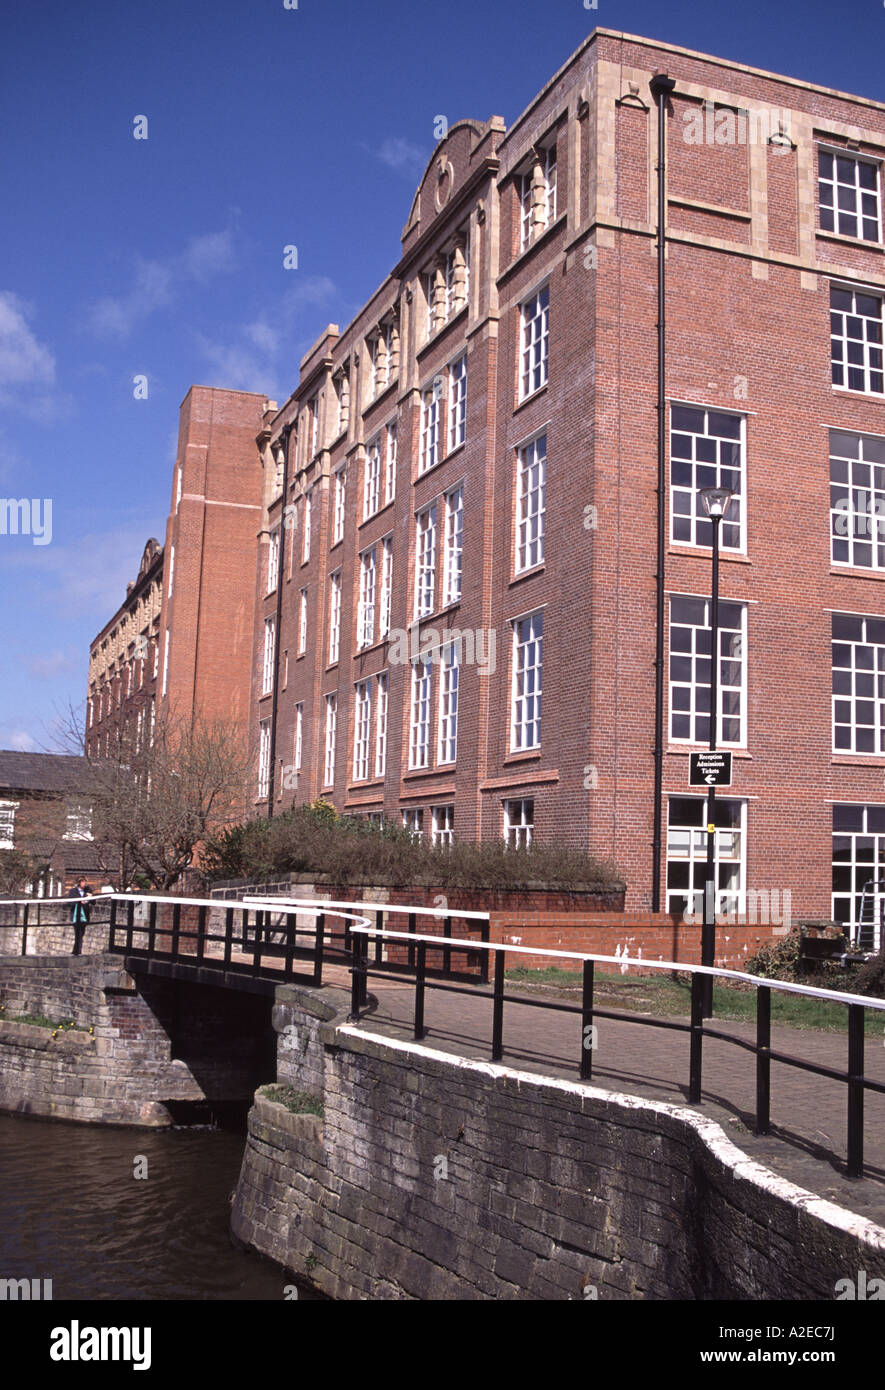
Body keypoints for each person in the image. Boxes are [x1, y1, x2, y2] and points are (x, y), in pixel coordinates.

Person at [71, 877, 91, 956]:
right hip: (76, 915)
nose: (84, 883)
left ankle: (77, 951)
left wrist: (90, 897)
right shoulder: (73, 891)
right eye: (82, 882)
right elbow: (70, 902)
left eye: (85, 882)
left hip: (84, 916)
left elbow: (94, 902)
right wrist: (79, 901)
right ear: (79, 883)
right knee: (77, 933)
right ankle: (76, 951)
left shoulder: (88, 891)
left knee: (81, 933)